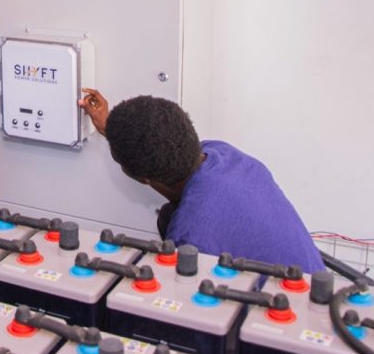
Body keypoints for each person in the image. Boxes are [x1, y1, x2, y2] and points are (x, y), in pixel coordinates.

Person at [78, 88, 325, 273]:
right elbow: (158, 143)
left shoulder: (192, 237)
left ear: (143, 178)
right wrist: (113, 130)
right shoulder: (222, 152)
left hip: (287, 318)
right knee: (167, 216)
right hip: (315, 284)